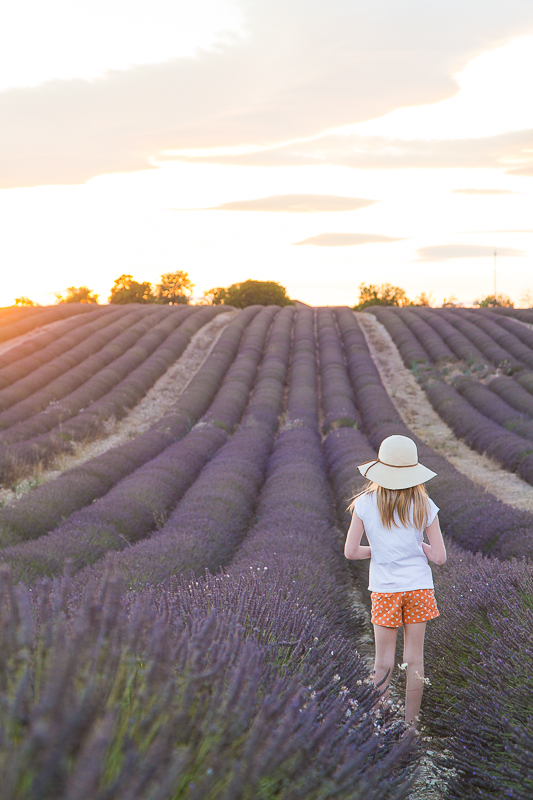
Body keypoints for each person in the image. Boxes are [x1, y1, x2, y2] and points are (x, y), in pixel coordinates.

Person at [344, 434, 446, 729]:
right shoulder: (425, 503)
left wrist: (379, 549)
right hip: (419, 588)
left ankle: (381, 723)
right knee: (414, 660)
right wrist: (418, 549)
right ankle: (411, 728)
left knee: (383, 662)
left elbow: (351, 552)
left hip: (385, 590)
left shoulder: (364, 502)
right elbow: (439, 557)